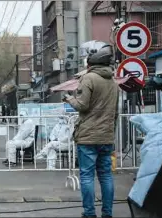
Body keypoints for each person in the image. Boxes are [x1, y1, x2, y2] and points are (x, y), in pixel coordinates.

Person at [63, 40, 118, 218]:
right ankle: (107, 213)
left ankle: (89, 213)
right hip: (106, 137)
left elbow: (82, 105)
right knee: (106, 176)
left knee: (87, 176)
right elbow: (115, 113)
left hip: (88, 137)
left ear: (91, 61)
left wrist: (69, 98)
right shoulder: (113, 83)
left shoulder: (88, 78)